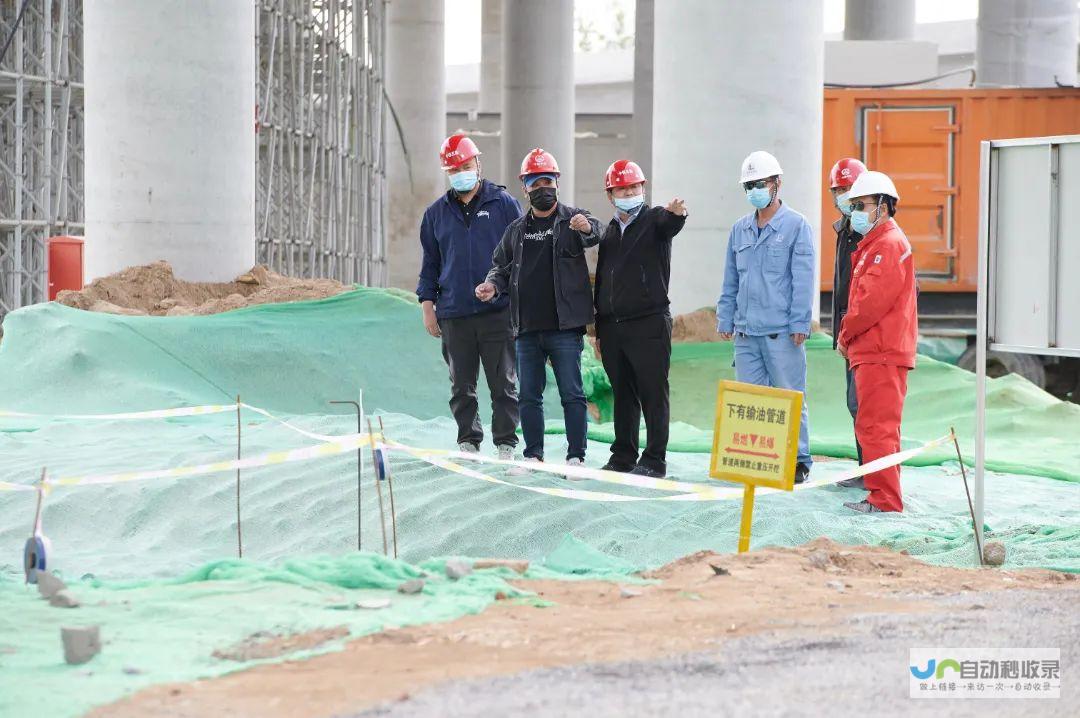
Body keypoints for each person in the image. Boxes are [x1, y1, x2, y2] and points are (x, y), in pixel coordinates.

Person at [475, 148, 602, 469]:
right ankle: (533, 455)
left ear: (557, 183)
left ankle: (576, 456)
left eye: (547, 181)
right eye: (535, 182)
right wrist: (492, 285)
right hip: (527, 329)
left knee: (573, 394)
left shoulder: (573, 219)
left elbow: (597, 232)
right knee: (529, 396)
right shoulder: (516, 230)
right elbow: (500, 268)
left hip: (565, 327)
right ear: (525, 187)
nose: (542, 187)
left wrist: (585, 227)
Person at [417, 133, 522, 459]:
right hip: (454, 313)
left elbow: (519, 257)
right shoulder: (436, 214)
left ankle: (505, 443)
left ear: (478, 164)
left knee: (503, 384)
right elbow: (431, 264)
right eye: (454, 168)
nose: (461, 171)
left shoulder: (504, 205)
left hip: (497, 312)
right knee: (461, 385)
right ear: (447, 172)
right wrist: (427, 305)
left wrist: (509, 295)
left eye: (466, 165)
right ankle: (469, 441)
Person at [716, 150, 815, 483]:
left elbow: (803, 278)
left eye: (759, 184)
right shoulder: (739, 230)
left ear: (777, 184)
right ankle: (755, 460)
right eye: (749, 186)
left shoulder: (796, 226)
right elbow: (731, 277)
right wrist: (725, 317)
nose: (754, 191)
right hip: (747, 332)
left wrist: (801, 323)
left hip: (782, 332)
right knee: (751, 398)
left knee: (789, 394)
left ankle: (799, 459)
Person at [593, 159, 688, 478]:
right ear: (611, 194)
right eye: (622, 188)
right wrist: (597, 325)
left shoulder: (654, 220)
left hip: (649, 322)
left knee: (652, 391)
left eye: (634, 187)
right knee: (623, 393)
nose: (629, 192)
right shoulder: (609, 233)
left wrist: (678, 214)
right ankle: (623, 455)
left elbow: (670, 223)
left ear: (643, 189)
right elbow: (604, 278)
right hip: (613, 327)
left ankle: (654, 459)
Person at [837, 170, 917, 513]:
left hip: (879, 351)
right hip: (877, 350)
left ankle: (884, 500)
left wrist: (844, 333)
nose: (855, 210)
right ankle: (882, 494)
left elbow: (868, 303)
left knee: (876, 428)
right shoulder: (878, 243)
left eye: (861, 204)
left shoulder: (886, 245)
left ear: (883, 207)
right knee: (877, 428)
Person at [828, 157, 868, 477]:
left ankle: (875, 475)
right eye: (838, 189)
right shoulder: (844, 229)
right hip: (848, 327)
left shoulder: (873, 233)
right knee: (854, 403)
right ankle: (865, 468)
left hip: (865, 330)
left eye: (849, 189)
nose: (843, 195)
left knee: (867, 405)